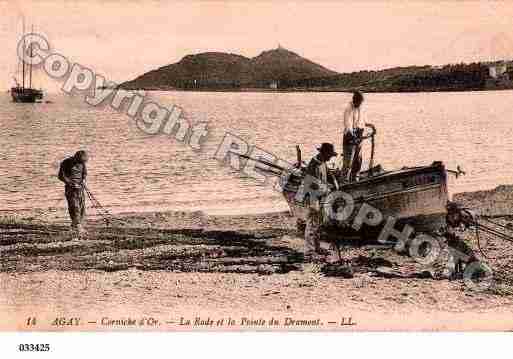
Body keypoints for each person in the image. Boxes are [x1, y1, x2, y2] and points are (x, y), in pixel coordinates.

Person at [303, 143, 337, 260]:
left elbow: (328, 173)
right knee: (312, 225)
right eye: (329, 155)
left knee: (318, 224)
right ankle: (309, 252)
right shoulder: (314, 165)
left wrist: (334, 180)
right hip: (312, 197)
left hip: (320, 197)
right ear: (324, 153)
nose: (330, 158)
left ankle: (317, 247)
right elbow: (312, 185)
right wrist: (328, 189)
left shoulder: (322, 162)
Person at [58, 150, 88, 238]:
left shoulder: (82, 163)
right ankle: (78, 226)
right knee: (74, 207)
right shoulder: (66, 163)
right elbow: (61, 176)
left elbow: (85, 174)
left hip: (81, 188)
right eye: (80, 162)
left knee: (82, 207)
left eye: (83, 162)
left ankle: (76, 225)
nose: (81, 163)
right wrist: (71, 183)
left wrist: (83, 180)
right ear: (76, 157)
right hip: (70, 189)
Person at [341, 91, 364, 182]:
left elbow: (361, 122)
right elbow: (348, 124)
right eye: (359, 102)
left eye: (361, 102)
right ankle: (344, 181)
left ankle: (355, 179)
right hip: (349, 137)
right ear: (355, 100)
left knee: (358, 160)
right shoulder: (348, 109)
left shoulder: (359, 108)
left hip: (358, 136)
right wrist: (353, 135)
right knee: (348, 162)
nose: (360, 104)